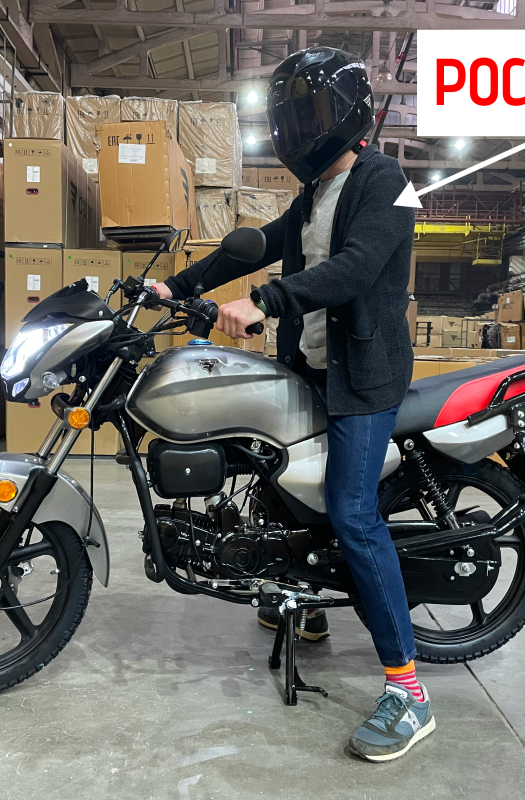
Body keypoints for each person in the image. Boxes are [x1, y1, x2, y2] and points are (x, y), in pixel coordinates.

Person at [154, 47, 430, 762]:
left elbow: (356, 268)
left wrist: (265, 301)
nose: (298, 128)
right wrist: (177, 287)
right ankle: (306, 604)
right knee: (277, 480)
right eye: (290, 116)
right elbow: (254, 247)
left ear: (347, 114)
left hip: (362, 379)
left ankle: (408, 692)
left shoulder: (385, 182)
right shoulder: (312, 195)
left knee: (351, 513)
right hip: (310, 368)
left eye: (309, 114)